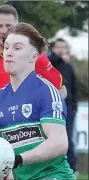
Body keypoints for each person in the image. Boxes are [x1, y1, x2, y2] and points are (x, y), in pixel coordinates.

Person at [0, 23, 75, 180]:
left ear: (34, 56)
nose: (8, 53)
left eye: (17, 48)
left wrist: (18, 159)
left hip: (52, 175)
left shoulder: (46, 92)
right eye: (6, 47)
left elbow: (59, 144)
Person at [0, 4, 67, 106]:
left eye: (9, 26)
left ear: (17, 27)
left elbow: (61, 90)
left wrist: (46, 112)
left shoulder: (34, 57)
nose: (4, 31)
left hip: (25, 120)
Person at [48, 38, 78, 176]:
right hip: (52, 107)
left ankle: (72, 169)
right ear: (52, 49)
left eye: (63, 47)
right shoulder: (50, 63)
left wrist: (74, 107)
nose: (61, 50)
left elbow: (74, 88)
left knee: (68, 139)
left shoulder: (69, 67)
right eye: (58, 47)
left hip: (68, 108)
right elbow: (51, 59)